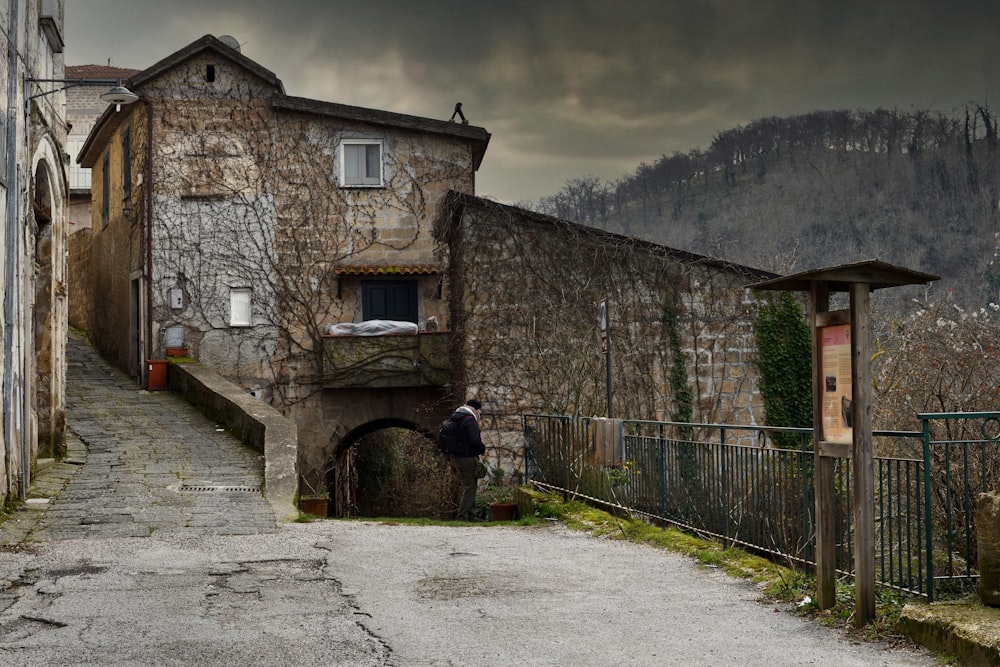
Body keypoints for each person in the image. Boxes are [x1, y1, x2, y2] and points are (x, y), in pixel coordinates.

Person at [448, 398, 486, 521]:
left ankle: (472, 515)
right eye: (479, 409)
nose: (480, 412)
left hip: (459, 456)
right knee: (470, 487)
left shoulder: (457, 418)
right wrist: (482, 448)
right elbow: (474, 440)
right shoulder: (469, 420)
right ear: (474, 409)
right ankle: (462, 516)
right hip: (468, 456)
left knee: (471, 485)